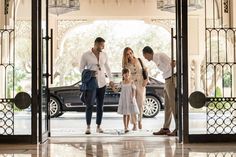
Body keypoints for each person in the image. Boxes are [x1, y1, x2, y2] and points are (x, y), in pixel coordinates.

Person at [80, 37, 114, 134]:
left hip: (102, 83)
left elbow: (108, 68)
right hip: (91, 84)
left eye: (103, 45)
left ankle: (98, 126)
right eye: (101, 45)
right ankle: (88, 127)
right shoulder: (86, 55)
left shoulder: (104, 55)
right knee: (89, 105)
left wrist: (111, 80)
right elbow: (81, 69)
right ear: (96, 44)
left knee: (100, 106)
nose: (103, 47)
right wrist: (90, 73)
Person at [142, 46, 177, 136]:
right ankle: (166, 128)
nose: (145, 58)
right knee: (167, 105)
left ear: (147, 53)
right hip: (166, 80)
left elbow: (173, 63)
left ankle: (179, 128)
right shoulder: (155, 59)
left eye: (144, 56)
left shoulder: (160, 55)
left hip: (171, 79)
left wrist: (173, 64)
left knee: (173, 104)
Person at [122, 47, 148, 130]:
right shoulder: (125, 64)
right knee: (132, 104)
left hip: (141, 83)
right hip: (131, 84)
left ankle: (140, 120)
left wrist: (146, 80)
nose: (129, 55)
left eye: (130, 53)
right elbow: (124, 76)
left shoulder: (139, 60)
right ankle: (134, 123)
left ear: (133, 52)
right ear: (125, 55)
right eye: (127, 54)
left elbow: (145, 70)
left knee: (140, 104)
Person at [117, 68, 140, 133]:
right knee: (125, 114)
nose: (126, 75)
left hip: (129, 99)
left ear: (129, 74)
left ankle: (128, 127)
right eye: (125, 74)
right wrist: (113, 86)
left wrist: (133, 97)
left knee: (129, 113)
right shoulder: (121, 83)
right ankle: (125, 127)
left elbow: (134, 90)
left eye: (128, 74)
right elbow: (117, 89)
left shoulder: (131, 82)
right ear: (123, 75)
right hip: (124, 99)